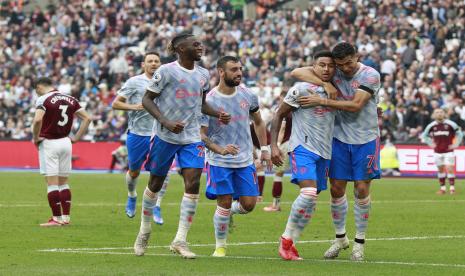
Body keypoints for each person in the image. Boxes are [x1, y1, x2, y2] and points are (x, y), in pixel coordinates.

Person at [133, 33, 231, 258]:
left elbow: (201, 104)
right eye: (195, 44)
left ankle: (180, 239)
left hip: (191, 137)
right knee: (155, 183)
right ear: (179, 48)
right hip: (164, 136)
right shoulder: (166, 71)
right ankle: (144, 230)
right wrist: (165, 121)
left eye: (200, 43)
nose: (200, 46)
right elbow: (147, 99)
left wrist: (217, 114)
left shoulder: (204, 74)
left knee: (193, 181)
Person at [291, 42, 381, 261]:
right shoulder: (335, 72)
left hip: (365, 138)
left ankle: (359, 242)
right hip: (338, 138)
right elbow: (296, 71)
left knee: (361, 189)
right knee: (336, 189)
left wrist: (323, 98)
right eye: (340, 65)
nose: (345, 69)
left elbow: (356, 105)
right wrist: (326, 83)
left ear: (357, 57)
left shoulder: (370, 75)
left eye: (348, 63)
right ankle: (340, 238)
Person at [200, 56, 272, 257]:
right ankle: (220, 246)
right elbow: (202, 134)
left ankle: (230, 211)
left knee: (249, 205)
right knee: (223, 201)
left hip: (244, 160)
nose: (239, 72)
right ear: (221, 72)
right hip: (219, 160)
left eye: (240, 69)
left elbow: (258, 122)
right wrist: (219, 149)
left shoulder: (248, 95)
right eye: (233, 69)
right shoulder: (209, 101)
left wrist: (264, 148)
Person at [271, 51, 336, 260]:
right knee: (308, 193)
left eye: (330, 66)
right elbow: (279, 114)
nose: (326, 69)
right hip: (302, 147)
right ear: (314, 67)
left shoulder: (338, 90)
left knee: (312, 199)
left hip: (325, 150)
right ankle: (286, 240)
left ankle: (291, 243)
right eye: (321, 65)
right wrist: (273, 146)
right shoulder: (301, 88)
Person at [111, 51, 168, 223]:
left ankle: (156, 206)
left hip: (160, 133)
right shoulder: (134, 82)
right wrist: (135, 107)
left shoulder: (166, 81)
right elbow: (115, 103)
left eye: (156, 61)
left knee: (161, 172)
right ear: (143, 64)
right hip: (138, 133)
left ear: (160, 64)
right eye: (150, 61)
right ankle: (132, 195)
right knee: (134, 171)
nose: (153, 64)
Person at [31, 77, 91, 226]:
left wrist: (35, 138)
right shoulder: (71, 98)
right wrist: (76, 137)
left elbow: (38, 120)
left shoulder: (43, 99)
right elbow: (87, 118)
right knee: (64, 182)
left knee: (52, 183)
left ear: (39, 87)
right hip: (66, 142)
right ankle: (66, 218)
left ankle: (56, 219)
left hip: (49, 142)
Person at [421, 108, 463, 195]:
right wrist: (430, 143)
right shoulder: (431, 125)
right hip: (437, 151)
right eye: (437, 112)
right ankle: (442, 189)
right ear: (434, 114)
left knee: (449, 168)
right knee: (440, 170)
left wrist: (456, 144)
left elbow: (460, 134)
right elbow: (424, 135)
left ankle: (452, 188)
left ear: (444, 114)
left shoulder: (451, 124)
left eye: (441, 112)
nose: (439, 114)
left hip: (448, 151)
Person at [264, 90, 292, 212]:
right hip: (296, 144)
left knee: (278, 175)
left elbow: (282, 128)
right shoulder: (294, 111)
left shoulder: (284, 111)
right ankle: (310, 203)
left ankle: (276, 205)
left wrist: (278, 145)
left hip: (285, 144)